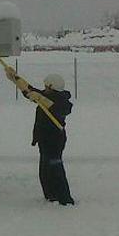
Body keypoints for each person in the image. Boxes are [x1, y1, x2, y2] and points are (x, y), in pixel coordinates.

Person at [8, 69, 75, 205]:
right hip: (44, 140)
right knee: (45, 171)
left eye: (46, 86)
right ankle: (51, 196)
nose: (44, 88)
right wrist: (15, 78)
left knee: (55, 169)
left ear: (52, 87)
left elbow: (59, 108)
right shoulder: (45, 95)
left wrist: (41, 99)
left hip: (54, 141)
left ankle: (65, 199)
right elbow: (30, 90)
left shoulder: (62, 101)